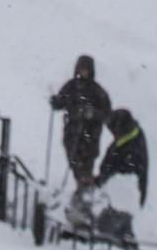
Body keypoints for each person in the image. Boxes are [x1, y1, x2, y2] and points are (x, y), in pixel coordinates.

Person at [48, 55, 111, 187]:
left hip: (90, 135)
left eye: (86, 69)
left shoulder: (97, 91)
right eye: (81, 69)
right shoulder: (70, 86)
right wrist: (56, 102)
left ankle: (85, 192)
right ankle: (84, 190)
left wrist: (92, 114)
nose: (83, 72)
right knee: (74, 163)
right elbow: (61, 101)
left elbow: (107, 114)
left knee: (86, 166)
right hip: (71, 132)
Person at [95, 107, 150, 208]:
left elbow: (117, 177)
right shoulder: (130, 135)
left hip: (123, 204)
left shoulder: (132, 153)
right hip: (116, 198)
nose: (112, 135)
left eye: (113, 131)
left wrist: (98, 182)